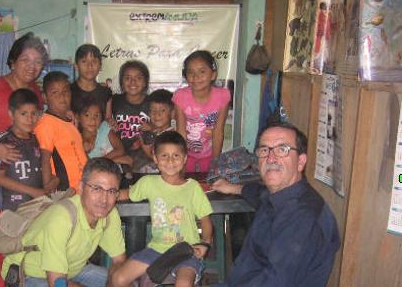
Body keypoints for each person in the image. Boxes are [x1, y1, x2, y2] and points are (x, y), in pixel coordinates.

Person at [211, 122, 340, 287]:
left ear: (301, 162)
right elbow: (258, 193)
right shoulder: (278, 195)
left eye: (282, 150)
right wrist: (234, 188)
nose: (271, 158)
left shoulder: (303, 219)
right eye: (265, 150)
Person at [1, 157, 127, 287]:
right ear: (81, 187)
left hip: (73, 270)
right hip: (29, 274)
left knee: (127, 281)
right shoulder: (62, 217)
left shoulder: (110, 214)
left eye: (111, 191)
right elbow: (58, 283)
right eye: (96, 188)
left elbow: (119, 262)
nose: (104, 200)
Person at [111, 131, 213, 287]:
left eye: (176, 156)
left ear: (185, 158)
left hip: (186, 251)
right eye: (164, 156)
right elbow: (126, 194)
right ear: (155, 158)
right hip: (156, 250)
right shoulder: (148, 183)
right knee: (119, 279)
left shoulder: (192, 187)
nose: (170, 160)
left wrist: (205, 244)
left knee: (184, 284)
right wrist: (105, 193)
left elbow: (206, 220)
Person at [0, 32, 47, 219]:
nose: (32, 67)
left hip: (29, 174)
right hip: (0, 173)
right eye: (25, 60)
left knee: (28, 228)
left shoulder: (35, 91)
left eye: (38, 61)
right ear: (13, 61)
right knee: (3, 230)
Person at [173, 50, 230, 173]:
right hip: (186, 153)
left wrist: (216, 162)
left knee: (209, 183)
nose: (196, 77)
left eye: (202, 71)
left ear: (213, 75)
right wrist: (180, 160)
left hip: (210, 153)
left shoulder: (222, 96)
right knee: (184, 182)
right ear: (186, 76)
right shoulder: (180, 96)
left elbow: (218, 131)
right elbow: (181, 131)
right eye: (190, 72)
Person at [0, 88, 46, 211]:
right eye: (23, 114)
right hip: (15, 208)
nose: (30, 119)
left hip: (36, 205)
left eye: (33, 114)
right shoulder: (4, 141)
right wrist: (32, 191)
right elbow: (0, 178)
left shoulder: (35, 139)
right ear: (11, 114)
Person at [34, 71, 87, 191]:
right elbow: (44, 158)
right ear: (45, 97)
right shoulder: (46, 124)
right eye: (55, 92)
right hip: (65, 191)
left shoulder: (69, 121)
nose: (62, 96)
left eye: (65, 91)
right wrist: (48, 187)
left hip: (81, 188)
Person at [109, 60, 151, 173]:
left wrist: (151, 129)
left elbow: (162, 126)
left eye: (138, 78)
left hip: (145, 154)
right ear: (121, 82)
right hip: (119, 151)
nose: (133, 82)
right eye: (127, 78)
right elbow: (104, 118)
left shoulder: (152, 102)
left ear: (145, 82)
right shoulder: (115, 101)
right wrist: (109, 122)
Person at [75, 98, 132, 167]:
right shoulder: (78, 141)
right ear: (78, 117)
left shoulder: (105, 127)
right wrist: (116, 160)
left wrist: (99, 161)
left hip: (115, 171)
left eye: (96, 115)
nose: (93, 119)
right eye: (87, 115)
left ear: (102, 117)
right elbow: (89, 167)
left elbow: (120, 150)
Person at [138, 89, 176, 173]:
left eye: (162, 110)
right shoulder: (146, 133)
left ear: (172, 113)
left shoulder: (176, 132)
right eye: (153, 110)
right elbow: (150, 154)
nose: (157, 114)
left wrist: (153, 130)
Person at [70, 44, 112, 118]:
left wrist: (111, 123)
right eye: (84, 61)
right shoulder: (68, 91)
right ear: (76, 66)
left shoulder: (105, 92)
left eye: (94, 61)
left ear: (100, 66)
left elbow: (108, 119)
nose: (89, 66)